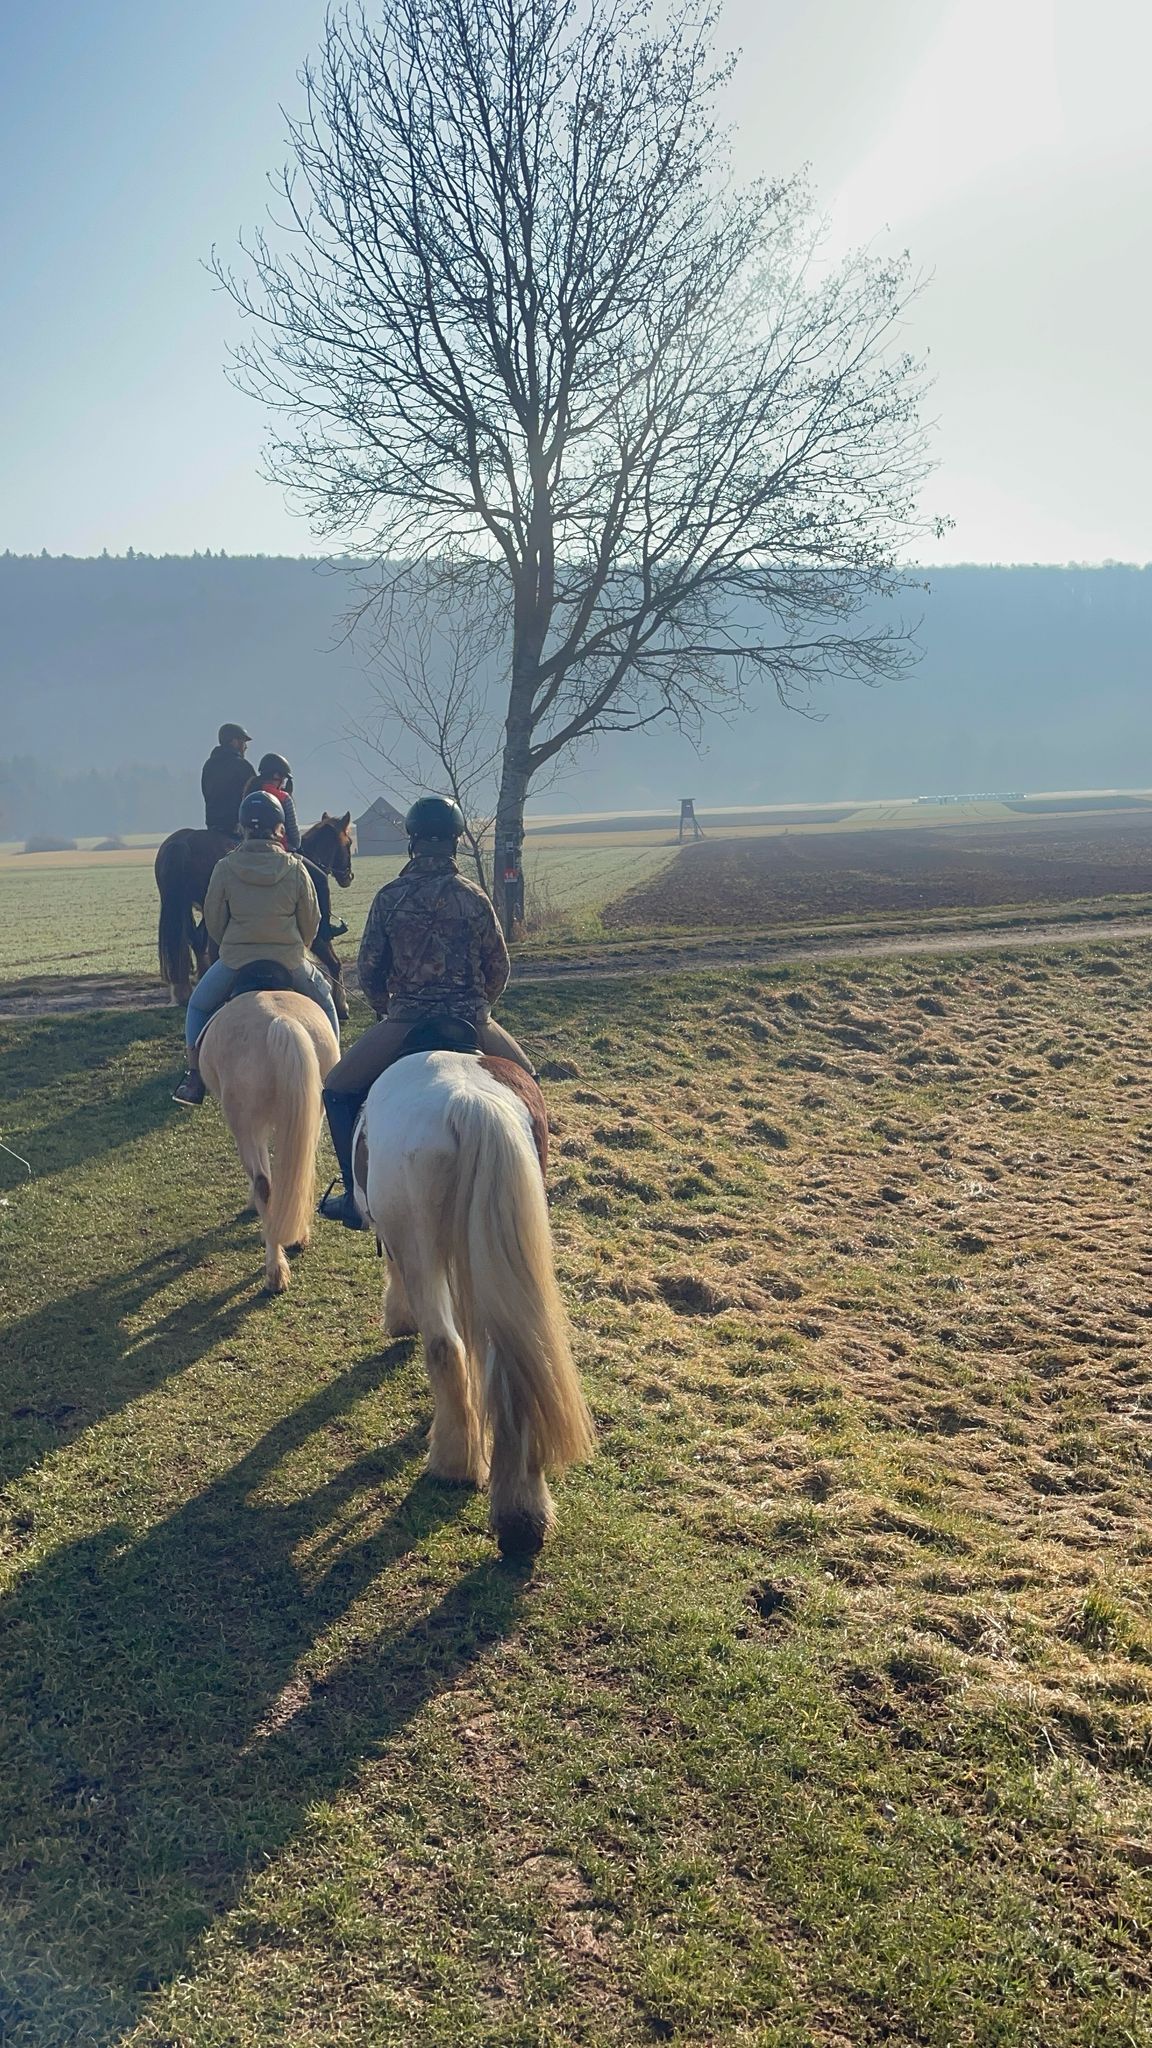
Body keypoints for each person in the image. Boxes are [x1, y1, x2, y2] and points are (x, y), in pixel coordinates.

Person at [318, 795, 533, 1228]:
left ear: (412, 840)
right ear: (455, 841)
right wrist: (480, 1008)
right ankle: (535, 1189)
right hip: (472, 1019)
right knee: (531, 1086)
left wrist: (386, 1010)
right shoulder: (473, 897)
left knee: (337, 1090)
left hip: (405, 1020)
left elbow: (370, 969)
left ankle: (352, 1194)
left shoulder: (390, 897)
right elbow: (499, 966)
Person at [172, 790, 340, 1105]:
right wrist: (298, 947)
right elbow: (310, 920)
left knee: (197, 1006)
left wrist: (230, 946)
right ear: (279, 828)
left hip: (236, 960)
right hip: (288, 959)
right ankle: (334, 1075)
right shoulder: (294, 867)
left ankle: (194, 1077)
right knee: (327, 1002)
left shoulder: (224, 867)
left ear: (243, 827)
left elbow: (214, 919)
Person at [201, 722, 253, 838]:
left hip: (213, 825)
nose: (246, 747)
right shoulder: (243, 766)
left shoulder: (209, 765)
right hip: (237, 827)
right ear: (234, 742)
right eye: (243, 742)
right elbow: (253, 796)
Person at [243, 752, 301, 850]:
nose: (283, 783)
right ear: (276, 775)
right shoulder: (284, 798)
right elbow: (295, 839)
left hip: (248, 846)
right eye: (283, 778)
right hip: (280, 849)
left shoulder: (249, 794)